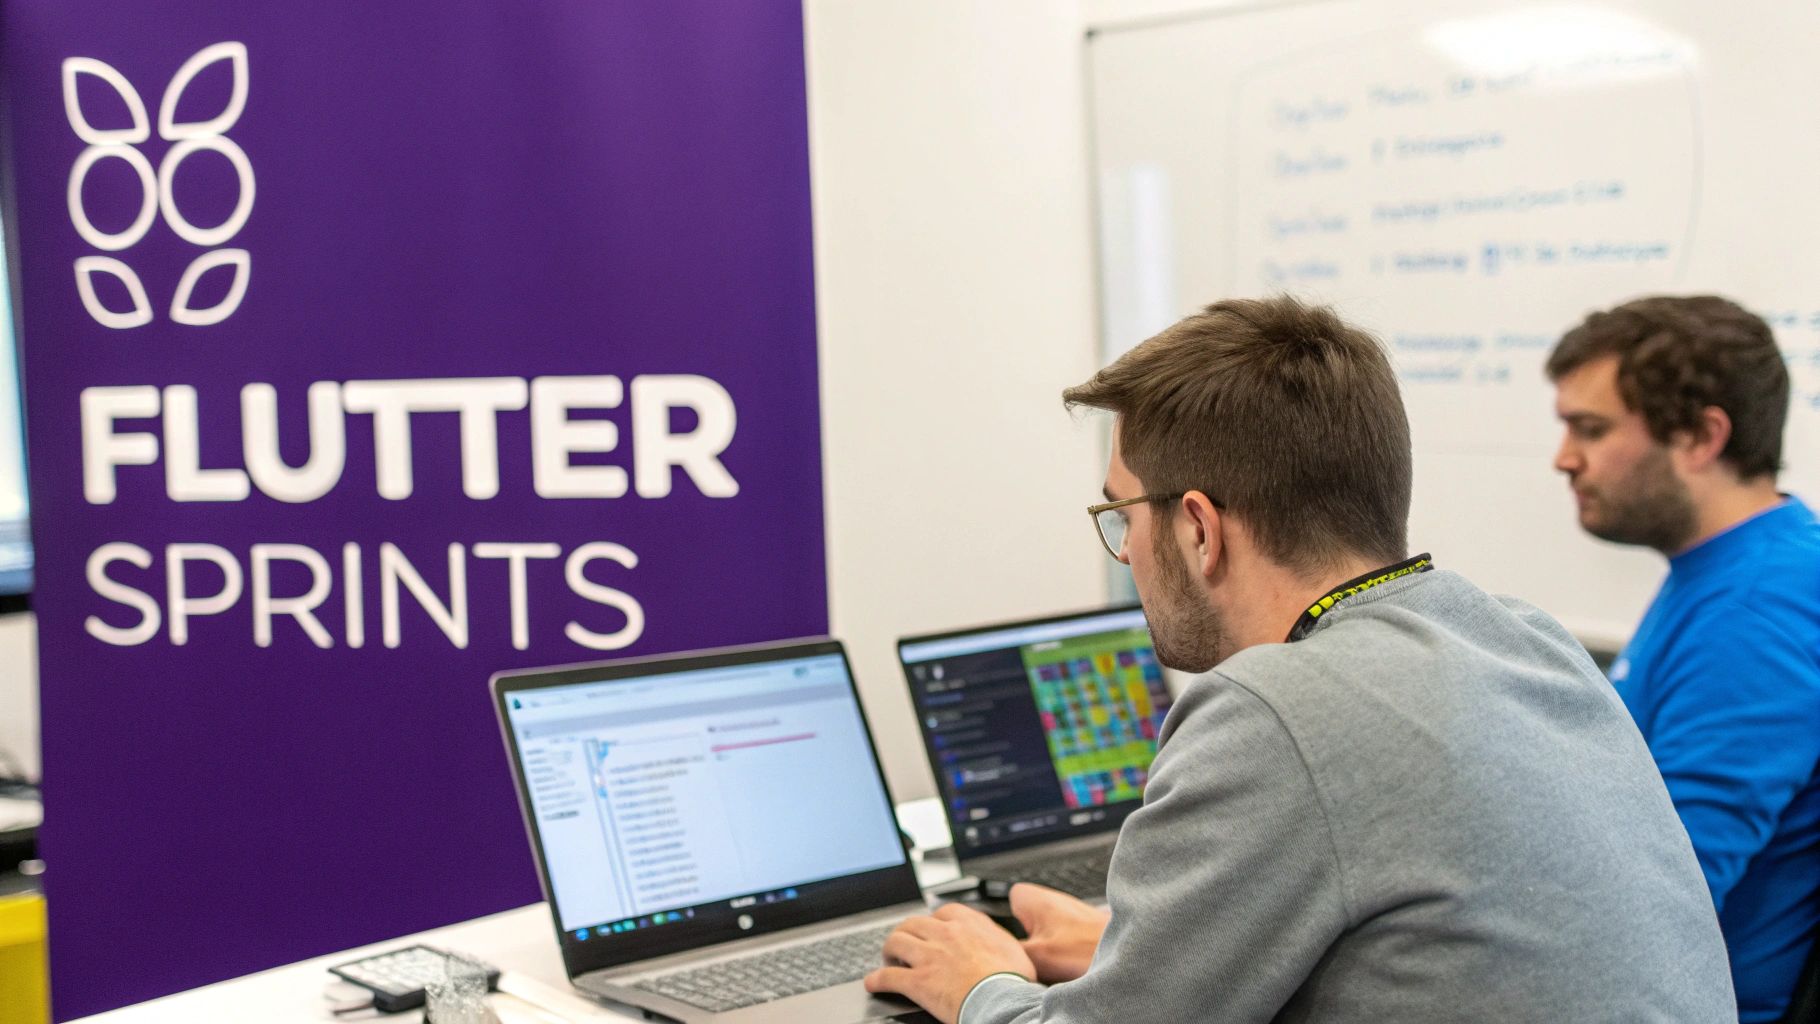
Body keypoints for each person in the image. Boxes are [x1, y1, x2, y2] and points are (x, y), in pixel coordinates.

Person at [863, 296, 1734, 1023]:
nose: (1125, 550)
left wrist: (981, 982)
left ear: (1199, 528)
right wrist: (1132, 954)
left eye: (1122, 515)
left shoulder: (1269, 709)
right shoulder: (1527, 640)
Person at [1548, 295, 1820, 1023]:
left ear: (1701, 436)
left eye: (1591, 429)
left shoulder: (1757, 608)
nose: (1564, 458)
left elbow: (1666, 895)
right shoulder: (1731, 570)